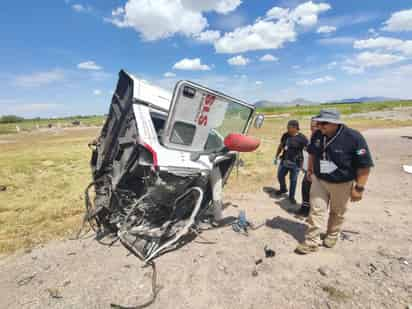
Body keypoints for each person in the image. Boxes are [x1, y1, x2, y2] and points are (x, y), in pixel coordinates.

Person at [295, 109, 374, 254]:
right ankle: (312, 241)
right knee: (316, 210)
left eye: (323, 123)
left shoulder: (354, 138)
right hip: (320, 180)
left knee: (337, 212)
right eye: (318, 122)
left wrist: (359, 188)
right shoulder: (317, 135)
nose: (319, 126)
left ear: (335, 124)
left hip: (342, 183)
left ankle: (332, 234)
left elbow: (364, 165)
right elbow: (312, 153)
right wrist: (310, 170)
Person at [274, 120, 308, 204]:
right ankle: (283, 189)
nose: (287, 129)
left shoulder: (302, 138)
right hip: (285, 160)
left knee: (293, 180)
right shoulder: (285, 135)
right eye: (287, 127)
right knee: (280, 175)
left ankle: (291, 197)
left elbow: (308, 150)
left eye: (289, 127)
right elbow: (281, 146)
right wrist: (276, 156)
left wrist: (305, 165)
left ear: (295, 128)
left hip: (296, 163)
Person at [296, 118, 319, 217]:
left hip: (319, 172)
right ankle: (305, 208)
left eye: (314, 126)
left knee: (315, 193)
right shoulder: (313, 137)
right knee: (305, 187)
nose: (311, 129)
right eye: (311, 126)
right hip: (310, 170)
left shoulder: (323, 138)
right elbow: (309, 154)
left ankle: (311, 211)